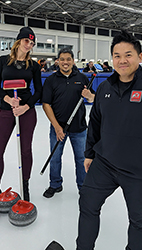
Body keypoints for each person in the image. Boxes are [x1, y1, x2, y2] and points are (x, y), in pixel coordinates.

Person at [76, 30, 142, 250]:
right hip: (105, 163)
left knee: (138, 220)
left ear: (140, 57)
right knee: (87, 205)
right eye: (117, 55)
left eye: (128, 54)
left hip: (140, 170)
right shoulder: (105, 88)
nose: (122, 60)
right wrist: (90, 153)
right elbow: (95, 122)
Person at [0, 26, 42, 202]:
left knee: (25, 150)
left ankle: (25, 186)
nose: (29, 45)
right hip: (6, 110)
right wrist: (9, 100)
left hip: (26, 111)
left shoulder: (33, 65)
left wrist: (26, 107)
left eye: (32, 43)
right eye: (27, 41)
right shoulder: (3, 61)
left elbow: (39, 91)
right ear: (19, 41)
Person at [42, 48, 95, 198]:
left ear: (73, 61)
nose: (65, 62)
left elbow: (94, 99)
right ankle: (55, 184)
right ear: (58, 61)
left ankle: (83, 186)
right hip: (58, 128)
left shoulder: (83, 78)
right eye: (62, 59)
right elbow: (46, 104)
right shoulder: (51, 80)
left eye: (68, 59)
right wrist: (57, 127)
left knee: (81, 159)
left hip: (79, 128)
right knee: (55, 157)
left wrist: (89, 95)